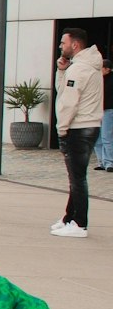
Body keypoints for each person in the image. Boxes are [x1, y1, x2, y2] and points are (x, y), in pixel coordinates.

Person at [53, 27, 103, 237]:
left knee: (77, 178)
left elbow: (69, 102)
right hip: (87, 126)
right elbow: (63, 91)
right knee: (76, 177)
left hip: (79, 128)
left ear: (75, 44)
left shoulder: (80, 69)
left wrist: (62, 128)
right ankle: (69, 218)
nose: (60, 46)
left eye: (63, 43)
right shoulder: (80, 67)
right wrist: (62, 71)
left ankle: (79, 223)